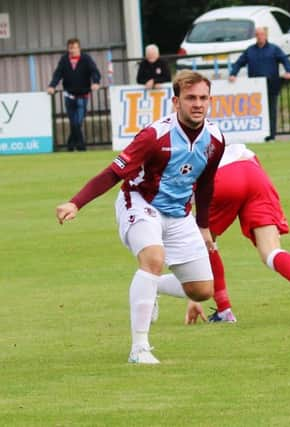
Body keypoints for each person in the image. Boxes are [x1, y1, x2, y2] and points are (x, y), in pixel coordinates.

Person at [55, 70, 225, 365]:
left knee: (202, 290)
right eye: (190, 98)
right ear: (176, 102)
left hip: (180, 214)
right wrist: (76, 203)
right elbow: (113, 172)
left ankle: (152, 286)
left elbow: (207, 183)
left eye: (203, 98)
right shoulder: (153, 136)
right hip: (139, 202)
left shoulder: (216, 140)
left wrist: (203, 226)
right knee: (153, 259)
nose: (197, 104)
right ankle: (139, 348)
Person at [153, 143, 290, 325]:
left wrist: (195, 297)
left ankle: (224, 311)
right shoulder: (205, 144)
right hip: (254, 172)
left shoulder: (172, 173)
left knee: (206, 244)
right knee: (271, 251)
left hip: (223, 178)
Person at [228, 27, 290, 142]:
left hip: (271, 85)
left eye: (262, 34)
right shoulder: (250, 51)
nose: (260, 37)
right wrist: (233, 74)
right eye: (257, 34)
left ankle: (271, 136)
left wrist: (288, 71)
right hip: (255, 88)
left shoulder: (274, 49)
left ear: (266, 35)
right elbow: (239, 63)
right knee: (257, 112)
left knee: (271, 111)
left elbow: (285, 60)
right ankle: (258, 135)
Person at [47, 38, 101, 151]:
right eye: (70, 48)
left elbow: (94, 71)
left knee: (77, 122)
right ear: (68, 48)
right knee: (73, 122)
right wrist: (52, 85)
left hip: (83, 96)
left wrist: (96, 82)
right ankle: (72, 146)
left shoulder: (86, 58)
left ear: (79, 48)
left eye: (75, 48)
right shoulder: (64, 59)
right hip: (69, 96)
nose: (72, 50)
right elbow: (58, 74)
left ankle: (79, 147)